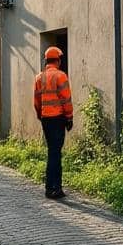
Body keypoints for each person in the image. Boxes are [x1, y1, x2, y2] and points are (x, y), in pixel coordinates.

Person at [33, 46, 73, 199]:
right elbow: (66, 100)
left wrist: (40, 115)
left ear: (46, 60)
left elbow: (36, 101)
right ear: (58, 60)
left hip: (46, 119)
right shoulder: (61, 76)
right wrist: (69, 118)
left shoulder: (39, 78)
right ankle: (54, 188)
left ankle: (52, 187)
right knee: (55, 153)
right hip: (58, 118)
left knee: (52, 151)